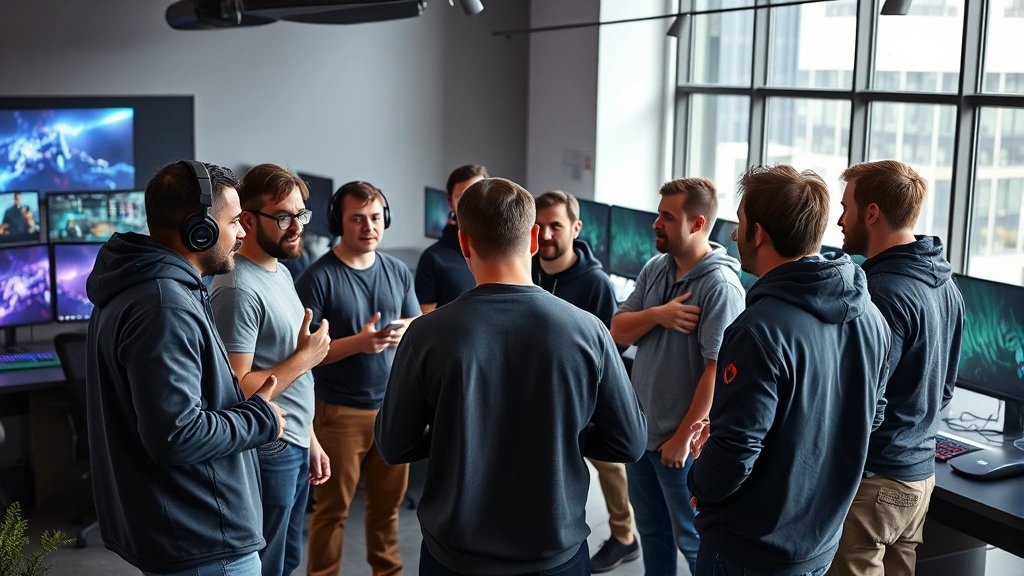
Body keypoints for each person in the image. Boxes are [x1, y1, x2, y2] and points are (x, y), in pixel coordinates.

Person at [375, 177, 647, 576]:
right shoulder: (589, 331)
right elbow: (630, 441)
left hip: (455, 557)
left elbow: (394, 446)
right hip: (556, 556)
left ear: (465, 243)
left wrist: (460, 429)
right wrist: (564, 430)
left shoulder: (427, 333)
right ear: (534, 238)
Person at [687, 165, 891, 576]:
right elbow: (873, 416)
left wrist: (701, 485)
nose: (733, 233)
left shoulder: (757, 331)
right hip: (818, 545)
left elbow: (736, 453)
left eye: (740, 222)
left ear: (759, 233)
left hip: (748, 552)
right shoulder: (870, 316)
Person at [85, 160, 286, 576]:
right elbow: (176, 435)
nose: (244, 233)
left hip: (184, 528)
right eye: (234, 222)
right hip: (206, 541)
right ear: (200, 231)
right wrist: (261, 419)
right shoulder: (164, 306)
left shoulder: (149, 288)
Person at [829, 160, 965, 576]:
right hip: (918, 481)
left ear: (872, 213)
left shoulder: (882, 294)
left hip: (875, 483)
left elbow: (865, 403)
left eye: (846, 208)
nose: (839, 220)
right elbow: (943, 391)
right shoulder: (945, 285)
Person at [609, 177, 745, 576]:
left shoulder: (720, 287)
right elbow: (617, 330)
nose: (656, 223)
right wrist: (658, 314)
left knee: (692, 540)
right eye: (659, 214)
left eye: (667, 217)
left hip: (679, 446)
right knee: (652, 532)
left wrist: (683, 436)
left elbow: (717, 370)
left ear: (697, 223)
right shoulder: (656, 269)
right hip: (641, 435)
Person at [209, 164, 333, 576]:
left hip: (294, 439)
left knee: (288, 558)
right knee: (270, 563)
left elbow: (287, 367)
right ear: (247, 219)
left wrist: (310, 437)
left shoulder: (279, 269)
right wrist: (307, 357)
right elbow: (236, 388)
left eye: (301, 214)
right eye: (283, 216)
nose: (296, 226)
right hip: (269, 446)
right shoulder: (237, 289)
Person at [295, 180, 420, 576]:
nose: (369, 226)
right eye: (358, 219)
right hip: (338, 414)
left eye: (376, 217)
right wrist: (360, 344)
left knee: (388, 510)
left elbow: (415, 318)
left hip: (393, 410)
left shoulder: (398, 271)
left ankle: (389, 571)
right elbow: (303, 357)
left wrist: (406, 329)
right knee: (332, 512)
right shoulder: (317, 278)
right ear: (339, 222)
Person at [533, 189, 637, 572]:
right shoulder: (528, 269)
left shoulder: (596, 284)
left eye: (555, 226)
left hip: (583, 399)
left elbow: (606, 353)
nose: (545, 234)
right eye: (538, 226)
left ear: (575, 228)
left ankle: (624, 536)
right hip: (540, 397)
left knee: (608, 467)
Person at [415, 164, 487, 313]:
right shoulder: (433, 258)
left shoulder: (503, 251)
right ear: (450, 203)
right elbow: (424, 320)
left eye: (478, 194)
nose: (472, 203)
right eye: (463, 197)